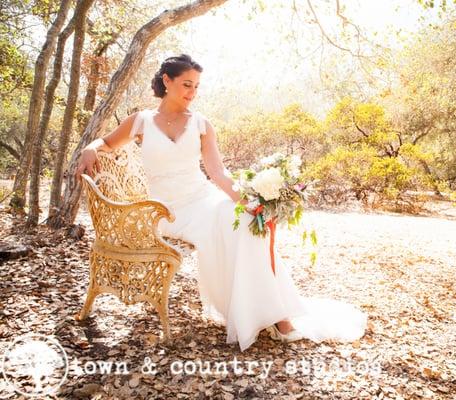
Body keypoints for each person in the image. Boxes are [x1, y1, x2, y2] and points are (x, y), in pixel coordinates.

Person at [76, 54, 367, 352]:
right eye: (187, 84)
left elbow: (217, 172)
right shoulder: (141, 121)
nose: (192, 92)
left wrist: (250, 202)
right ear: (167, 81)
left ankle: (276, 316)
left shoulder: (202, 124)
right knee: (229, 225)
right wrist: (90, 148)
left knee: (242, 221)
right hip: (162, 210)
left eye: (197, 87)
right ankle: (260, 311)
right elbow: (107, 143)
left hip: (202, 199)